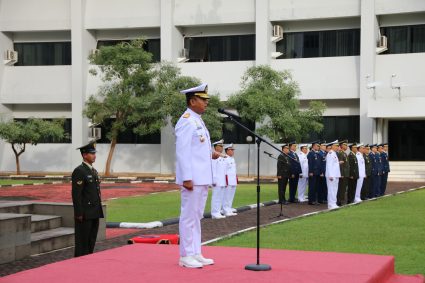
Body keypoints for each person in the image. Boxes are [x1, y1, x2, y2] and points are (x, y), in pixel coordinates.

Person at [175, 83, 220, 268]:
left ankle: (196, 252)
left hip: (202, 178)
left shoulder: (197, 120)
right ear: (192, 101)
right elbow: (182, 151)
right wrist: (186, 178)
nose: (206, 102)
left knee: (197, 216)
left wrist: (211, 153)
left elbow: (196, 149)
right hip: (192, 179)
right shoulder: (186, 120)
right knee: (188, 216)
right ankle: (185, 255)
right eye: (203, 99)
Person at [72, 141, 104, 257]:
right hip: (85, 213)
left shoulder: (93, 171)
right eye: (91, 153)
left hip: (94, 211)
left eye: (94, 153)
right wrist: (79, 213)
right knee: (83, 242)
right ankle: (79, 262)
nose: (94, 155)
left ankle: (89, 260)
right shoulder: (79, 171)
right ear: (84, 155)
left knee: (91, 240)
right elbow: (76, 194)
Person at [210, 139, 227, 219]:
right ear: (215, 147)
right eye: (220, 146)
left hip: (222, 180)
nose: (222, 148)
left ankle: (218, 211)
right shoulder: (214, 156)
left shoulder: (222, 156)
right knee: (216, 196)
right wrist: (213, 180)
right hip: (216, 180)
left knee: (220, 196)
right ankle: (214, 212)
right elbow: (213, 169)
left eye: (222, 146)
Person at [223, 144, 238, 216]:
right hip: (228, 180)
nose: (233, 151)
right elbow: (224, 171)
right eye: (231, 150)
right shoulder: (225, 158)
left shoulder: (232, 159)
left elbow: (234, 171)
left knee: (231, 195)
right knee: (227, 196)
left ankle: (229, 208)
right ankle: (225, 210)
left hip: (233, 180)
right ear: (227, 151)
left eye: (233, 150)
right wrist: (225, 181)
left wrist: (236, 179)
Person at [326, 140, 341, 210]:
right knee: (331, 190)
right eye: (336, 146)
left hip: (336, 174)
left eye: (338, 146)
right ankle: (331, 204)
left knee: (335, 190)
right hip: (332, 175)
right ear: (332, 146)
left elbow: (334, 164)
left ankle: (334, 203)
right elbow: (329, 165)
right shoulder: (330, 153)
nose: (337, 147)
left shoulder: (334, 153)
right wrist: (330, 175)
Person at [337, 140, 350, 206]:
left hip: (345, 174)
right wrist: (341, 174)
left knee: (344, 188)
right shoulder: (340, 153)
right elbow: (340, 165)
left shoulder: (344, 153)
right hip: (343, 174)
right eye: (345, 145)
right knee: (341, 188)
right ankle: (339, 201)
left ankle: (342, 200)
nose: (346, 146)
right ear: (341, 145)